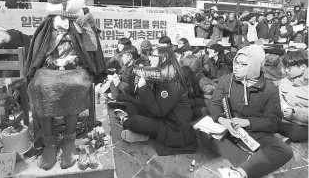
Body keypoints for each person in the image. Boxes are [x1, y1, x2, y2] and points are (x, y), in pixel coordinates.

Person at [24, 0, 106, 170]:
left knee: (74, 85)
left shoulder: (83, 19)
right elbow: (39, 50)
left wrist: (86, 28)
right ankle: (50, 141)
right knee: (38, 86)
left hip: (76, 69)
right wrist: (49, 62)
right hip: (50, 68)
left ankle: (69, 141)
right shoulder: (48, 23)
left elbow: (92, 49)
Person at [198, 45, 293, 178]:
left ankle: (242, 171)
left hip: (253, 132)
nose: (236, 67)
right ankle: (249, 163)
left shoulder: (270, 90)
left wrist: (247, 122)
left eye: (242, 64)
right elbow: (214, 104)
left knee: (284, 151)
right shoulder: (226, 80)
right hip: (226, 126)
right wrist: (223, 120)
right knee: (202, 132)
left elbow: (273, 122)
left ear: (255, 66)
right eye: (236, 62)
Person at [114, 47, 198, 154]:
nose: (149, 58)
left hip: (173, 126)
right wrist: (142, 83)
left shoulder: (172, 81)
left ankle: (125, 120)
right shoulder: (160, 74)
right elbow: (148, 99)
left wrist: (144, 87)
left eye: (153, 56)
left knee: (136, 121)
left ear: (162, 59)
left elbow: (159, 111)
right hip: (162, 115)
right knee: (132, 103)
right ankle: (141, 132)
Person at [279, 50, 308, 142]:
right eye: (285, 67)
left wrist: (294, 112)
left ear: (303, 67)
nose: (286, 71)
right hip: (284, 119)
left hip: (303, 123)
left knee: (297, 134)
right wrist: (283, 107)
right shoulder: (284, 82)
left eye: (290, 68)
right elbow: (280, 99)